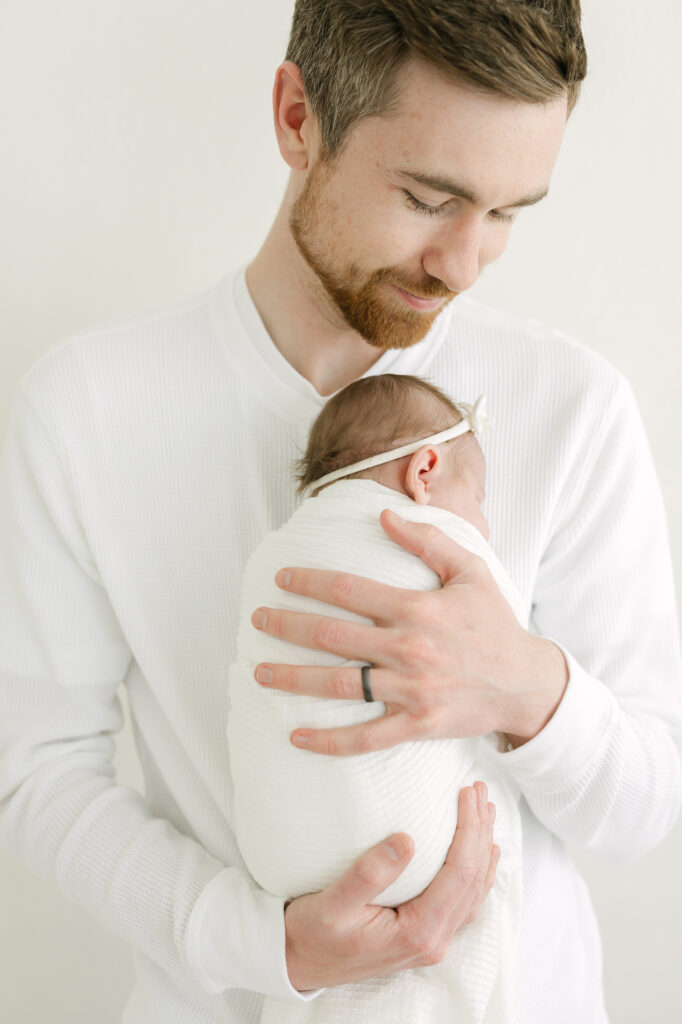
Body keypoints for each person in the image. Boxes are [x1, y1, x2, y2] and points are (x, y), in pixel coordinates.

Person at [0, 2, 680, 1023]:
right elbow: (37, 776)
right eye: (426, 196)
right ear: (295, 117)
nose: (460, 263)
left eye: (506, 214)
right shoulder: (87, 408)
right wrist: (262, 942)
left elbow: (643, 810)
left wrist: (524, 687)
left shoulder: (570, 406)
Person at [228, 374, 527, 1023]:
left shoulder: (272, 555)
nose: (481, 519)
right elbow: (508, 657)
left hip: (276, 868)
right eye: (478, 497)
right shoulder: (453, 546)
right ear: (426, 470)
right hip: (413, 856)